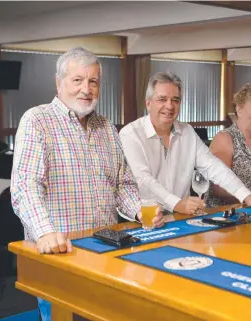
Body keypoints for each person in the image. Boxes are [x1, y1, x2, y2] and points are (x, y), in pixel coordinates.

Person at [11, 47, 165, 321]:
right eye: (78, 80)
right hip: (59, 256)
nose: (87, 89)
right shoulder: (37, 120)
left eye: (93, 81)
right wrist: (45, 232)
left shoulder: (106, 127)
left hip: (106, 254)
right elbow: (25, 187)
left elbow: (122, 184)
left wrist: (139, 211)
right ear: (59, 84)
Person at [119, 72, 251, 215]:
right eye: (162, 99)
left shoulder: (187, 132)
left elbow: (213, 166)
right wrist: (177, 204)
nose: (170, 106)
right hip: (144, 220)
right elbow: (143, 180)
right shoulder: (130, 134)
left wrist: (245, 195)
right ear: (148, 104)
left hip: (180, 218)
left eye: (175, 100)